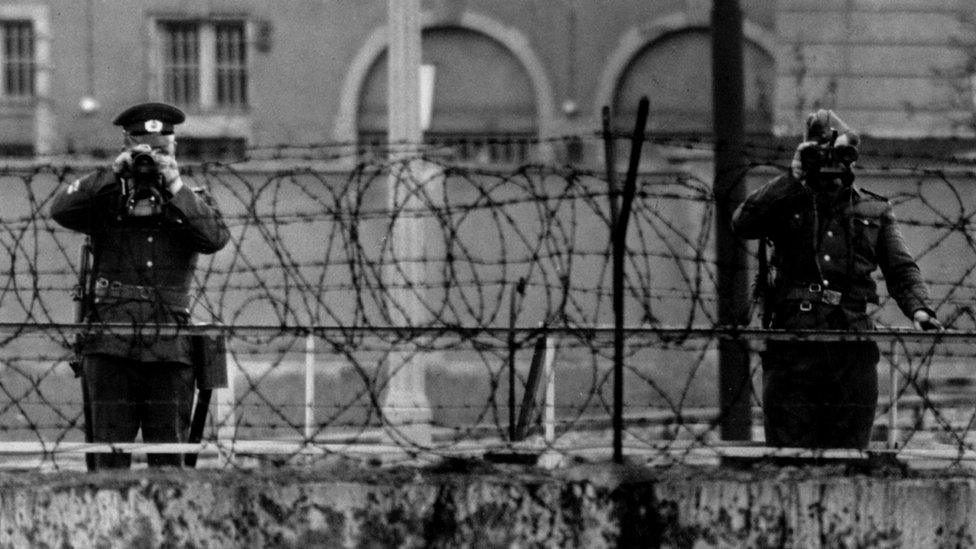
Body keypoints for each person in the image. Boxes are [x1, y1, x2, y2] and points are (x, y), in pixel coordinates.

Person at [731, 109, 942, 449]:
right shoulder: (785, 201)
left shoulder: (874, 209)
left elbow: (901, 269)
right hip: (793, 347)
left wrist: (920, 310)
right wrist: (792, 175)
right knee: (790, 457)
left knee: (849, 455)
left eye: (843, 154)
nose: (834, 164)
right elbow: (742, 224)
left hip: (852, 346)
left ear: (853, 159)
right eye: (821, 155)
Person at [50, 102, 230, 469]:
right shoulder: (106, 197)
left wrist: (175, 184)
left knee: (170, 463)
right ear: (125, 145)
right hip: (111, 344)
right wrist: (113, 175)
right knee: (107, 463)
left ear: (175, 149)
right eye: (143, 149)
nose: (152, 158)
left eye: (161, 150)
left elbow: (214, 238)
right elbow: (61, 210)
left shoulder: (191, 199)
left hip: (169, 348)